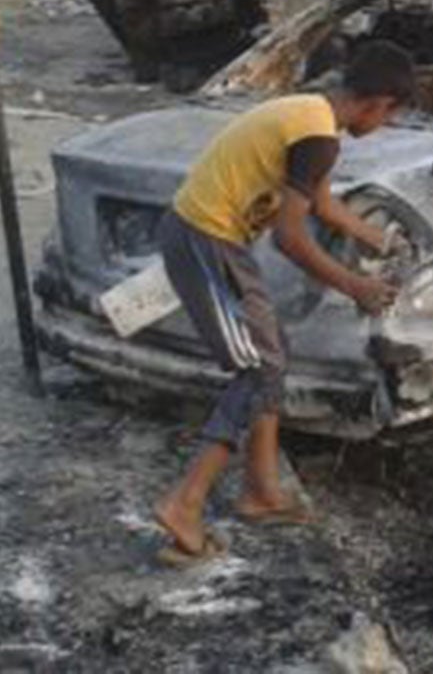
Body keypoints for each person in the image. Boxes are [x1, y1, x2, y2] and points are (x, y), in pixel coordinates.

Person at [152, 40, 414, 562]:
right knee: (255, 370)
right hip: (206, 239)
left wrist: (378, 238)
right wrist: (354, 284)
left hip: (210, 237)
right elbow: (290, 238)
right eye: (391, 115)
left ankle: (260, 492)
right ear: (378, 103)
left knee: (271, 358)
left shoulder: (310, 115)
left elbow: (323, 205)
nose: (386, 125)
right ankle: (186, 502)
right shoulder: (319, 139)